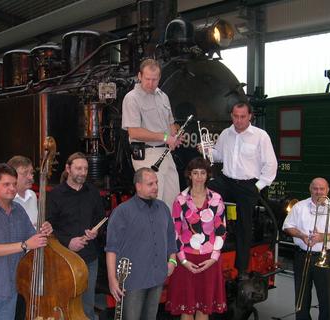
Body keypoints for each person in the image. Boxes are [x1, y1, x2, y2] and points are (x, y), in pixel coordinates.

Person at [204, 102, 277, 279]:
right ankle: (205, 244)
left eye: (242, 116)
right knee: (204, 193)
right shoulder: (225, 134)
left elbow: (271, 164)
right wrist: (206, 150)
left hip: (248, 185)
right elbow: (219, 156)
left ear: (250, 116)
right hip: (227, 181)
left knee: (245, 225)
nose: (239, 120)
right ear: (231, 116)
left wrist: (257, 187)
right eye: (235, 116)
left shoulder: (261, 136)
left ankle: (242, 269)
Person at [0, 163, 53, 320]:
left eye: (14, 184)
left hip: (12, 287)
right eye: (6, 184)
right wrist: (25, 245)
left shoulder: (18, 210)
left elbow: (32, 236)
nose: (12, 188)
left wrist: (45, 230)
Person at [105, 167, 177, 320]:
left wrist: (172, 260)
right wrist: (112, 279)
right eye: (150, 184)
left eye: (156, 183)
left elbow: (171, 237)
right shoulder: (122, 212)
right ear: (138, 186)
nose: (156, 187)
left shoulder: (163, 209)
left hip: (157, 278)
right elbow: (111, 248)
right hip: (133, 281)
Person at [46, 152, 105, 320]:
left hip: (89, 259)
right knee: (64, 302)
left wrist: (96, 232)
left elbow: (101, 220)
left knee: (87, 305)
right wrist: (68, 241)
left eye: (85, 169)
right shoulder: (55, 194)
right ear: (68, 168)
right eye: (78, 168)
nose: (83, 172)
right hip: (64, 258)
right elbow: (48, 226)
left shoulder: (92, 192)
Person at [166, 157, 227, 319]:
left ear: (208, 175)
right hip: (186, 260)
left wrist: (214, 258)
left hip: (209, 260)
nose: (199, 177)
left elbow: (221, 231)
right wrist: (183, 261)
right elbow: (175, 232)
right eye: (195, 173)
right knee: (186, 310)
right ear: (189, 175)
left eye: (202, 173)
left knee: (204, 309)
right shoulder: (180, 200)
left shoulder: (216, 199)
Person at [283, 177, 330, 320]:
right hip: (302, 255)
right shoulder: (299, 206)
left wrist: (322, 237)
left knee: (326, 297)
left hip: (327, 258)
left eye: (322, 189)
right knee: (301, 295)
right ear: (310, 189)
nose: (318, 192)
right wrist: (302, 236)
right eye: (315, 188)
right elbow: (287, 226)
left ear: (328, 190)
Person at [122, 58, 180, 210]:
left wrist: (175, 136)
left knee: (173, 201)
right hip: (147, 155)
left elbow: (171, 125)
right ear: (140, 76)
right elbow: (133, 131)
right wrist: (165, 137)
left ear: (159, 78)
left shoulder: (163, 97)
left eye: (155, 79)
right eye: (147, 79)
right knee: (153, 202)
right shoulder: (131, 98)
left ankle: (170, 234)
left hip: (166, 154)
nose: (151, 83)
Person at [7, 155, 38, 229]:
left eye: (31, 173)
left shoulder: (32, 195)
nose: (30, 177)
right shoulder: (6, 199)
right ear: (12, 175)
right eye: (25, 173)